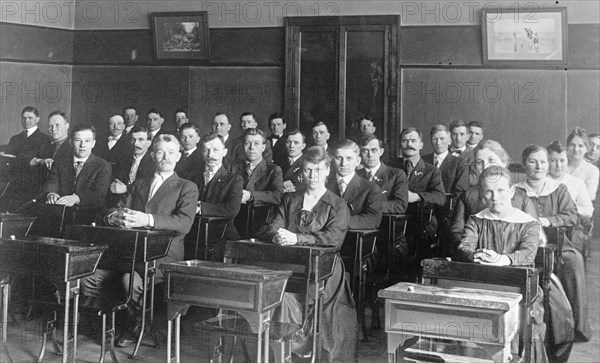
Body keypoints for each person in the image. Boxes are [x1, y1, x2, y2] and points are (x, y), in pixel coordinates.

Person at [82, 134, 198, 347]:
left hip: (161, 257)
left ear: (179, 157)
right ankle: (101, 325)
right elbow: (115, 209)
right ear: (152, 155)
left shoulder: (186, 186)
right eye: (161, 151)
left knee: (129, 281)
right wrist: (113, 217)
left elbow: (184, 223)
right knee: (87, 277)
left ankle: (136, 326)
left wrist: (147, 219)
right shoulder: (139, 183)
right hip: (128, 253)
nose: (166, 157)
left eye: (171, 152)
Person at [264, 146, 357, 362]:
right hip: (291, 265)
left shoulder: (338, 204)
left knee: (294, 298)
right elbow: (273, 225)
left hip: (325, 268)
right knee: (276, 294)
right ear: (301, 172)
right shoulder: (290, 199)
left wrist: (297, 238)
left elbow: (333, 240)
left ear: (327, 171)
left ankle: (302, 348)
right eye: (308, 170)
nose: (313, 175)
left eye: (318, 170)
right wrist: (277, 234)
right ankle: (281, 350)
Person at [454, 166, 548, 362]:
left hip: (521, 290)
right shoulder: (477, 220)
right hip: (482, 286)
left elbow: (528, 253)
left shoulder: (529, 223)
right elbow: (465, 246)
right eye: (489, 191)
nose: (495, 197)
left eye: (501, 190)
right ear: (482, 195)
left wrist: (502, 259)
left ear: (512, 191)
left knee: (524, 322)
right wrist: (475, 255)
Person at [515, 144, 578, 361]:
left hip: (559, 243)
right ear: (524, 164)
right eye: (533, 161)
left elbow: (571, 216)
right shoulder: (517, 191)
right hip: (527, 244)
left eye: (543, 161)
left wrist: (549, 221)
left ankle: (570, 321)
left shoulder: (558, 188)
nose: (539, 166)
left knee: (571, 262)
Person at [450, 140, 535, 252]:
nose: (485, 166)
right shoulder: (467, 195)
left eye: (491, 160)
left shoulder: (520, 195)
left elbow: (534, 233)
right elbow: (456, 232)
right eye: (479, 162)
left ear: (503, 163)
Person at [390, 127, 445, 269]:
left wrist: (417, 196)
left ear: (421, 145)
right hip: (393, 218)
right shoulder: (390, 167)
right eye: (405, 141)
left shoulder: (431, 170)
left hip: (419, 221)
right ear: (400, 144)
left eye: (413, 141)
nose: (409, 144)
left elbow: (440, 197)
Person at [188, 132, 243, 241]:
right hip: (193, 235)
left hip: (222, 237)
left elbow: (231, 210)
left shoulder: (234, 180)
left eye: (215, 150)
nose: (210, 155)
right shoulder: (190, 176)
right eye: (206, 150)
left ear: (224, 152)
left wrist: (200, 208)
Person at [43, 124, 112, 209]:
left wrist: (77, 198)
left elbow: (99, 195)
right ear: (71, 142)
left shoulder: (103, 166)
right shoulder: (59, 162)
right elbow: (52, 182)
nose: (82, 145)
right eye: (78, 140)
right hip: (62, 212)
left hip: (90, 215)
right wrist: (51, 193)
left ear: (93, 143)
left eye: (87, 141)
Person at [0, 106, 52, 207]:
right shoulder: (15, 139)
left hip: (33, 186)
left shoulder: (45, 139)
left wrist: (18, 159)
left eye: (30, 118)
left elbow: (42, 166)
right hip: (13, 184)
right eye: (24, 118)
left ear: (37, 119)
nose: (26, 120)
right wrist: (30, 160)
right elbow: (8, 162)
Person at [328, 139, 382, 229]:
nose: (343, 163)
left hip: (354, 239)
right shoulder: (324, 185)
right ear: (333, 160)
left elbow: (372, 220)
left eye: (349, 158)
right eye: (339, 158)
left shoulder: (370, 188)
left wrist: (336, 222)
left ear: (358, 161)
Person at [231, 128, 284, 205]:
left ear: (263, 147)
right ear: (243, 146)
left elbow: (277, 196)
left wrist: (250, 195)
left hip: (260, 215)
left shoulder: (273, 169)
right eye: (247, 143)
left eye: (256, 143)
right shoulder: (233, 167)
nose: (251, 147)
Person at [357, 134, 408, 214]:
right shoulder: (356, 175)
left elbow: (400, 206)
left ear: (381, 152)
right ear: (360, 153)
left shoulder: (396, 175)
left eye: (374, 150)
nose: (370, 155)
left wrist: (371, 206)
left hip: (384, 223)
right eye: (365, 151)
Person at [107, 125, 154, 208]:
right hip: (120, 204)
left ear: (149, 143)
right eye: (133, 139)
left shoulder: (153, 163)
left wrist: (126, 188)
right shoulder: (123, 161)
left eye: (141, 140)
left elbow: (148, 188)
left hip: (142, 206)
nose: (136, 144)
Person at [423, 125, 469, 199]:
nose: (438, 143)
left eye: (442, 139)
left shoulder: (460, 164)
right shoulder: (422, 161)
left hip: (447, 208)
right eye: (435, 139)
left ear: (449, 141)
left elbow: (459, 192)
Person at [566, 127, 599, 200]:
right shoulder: (560, 165)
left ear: (586, 149)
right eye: (572, 145)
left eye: (580, 146)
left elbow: (589, 197)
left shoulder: (592, 170)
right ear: (567, 147)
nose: (576, 149)